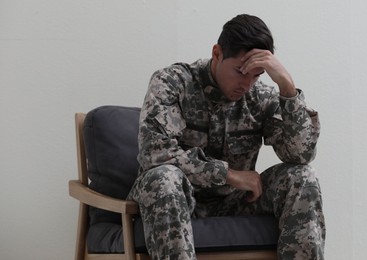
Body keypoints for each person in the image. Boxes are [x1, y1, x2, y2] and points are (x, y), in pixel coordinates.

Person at [128, 14, 325, 260]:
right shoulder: (172, 82)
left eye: (256, 75)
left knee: (302, 176)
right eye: (240, 71)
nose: (247, 84)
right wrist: (229, 176)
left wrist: (287, 87)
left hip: (235, 203)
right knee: (163, 177)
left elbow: (300, 154)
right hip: (177, 199)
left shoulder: (260, 98)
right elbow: (154, 154)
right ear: (217, 53)